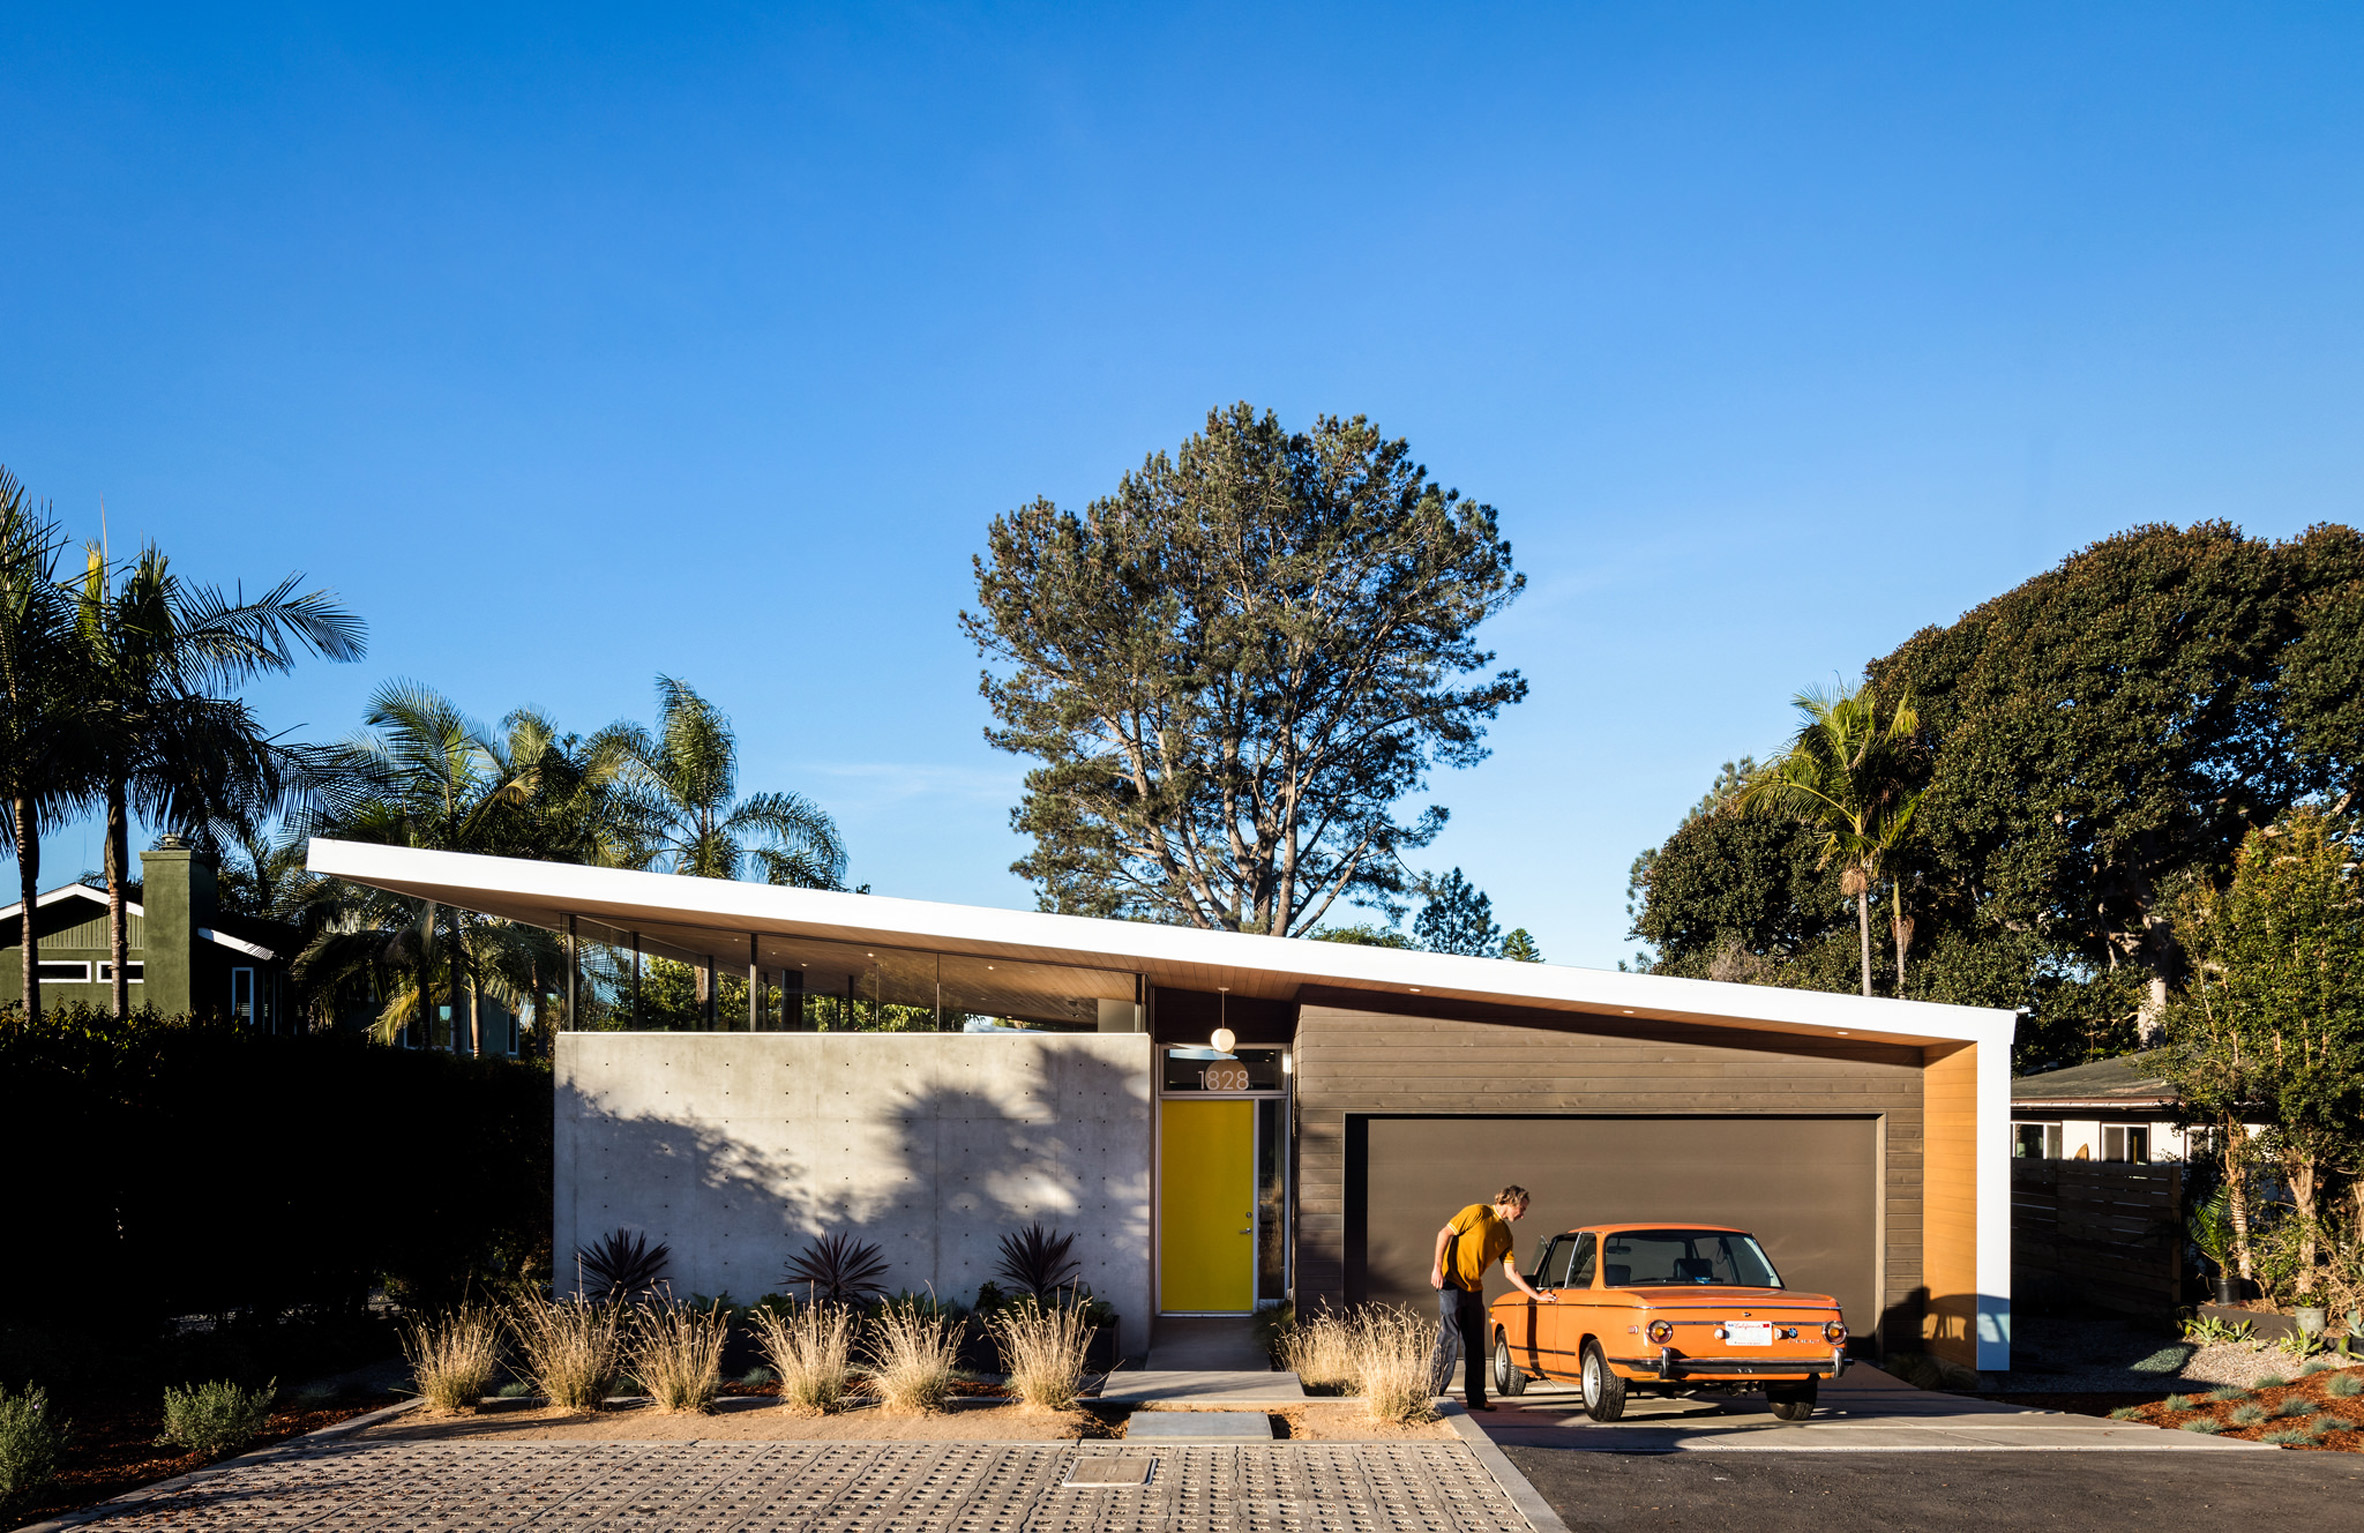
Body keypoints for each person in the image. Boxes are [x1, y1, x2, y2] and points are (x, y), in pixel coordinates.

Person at [1428, 1185, 1554, 1411]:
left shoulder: (1506, 1235)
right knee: (1448, 1337)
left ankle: (1476, 1399)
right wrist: (1437, 1267)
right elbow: (1444, 1233)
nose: (1523, 1215)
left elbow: (1511, 1272)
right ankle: (1431, 1393)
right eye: (1521, 1209)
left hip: (1474, 1289)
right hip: (1451, 1283)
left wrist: (1536, 1296)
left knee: (1475, 1343)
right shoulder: (1477, 1212)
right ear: (1511, 1203)